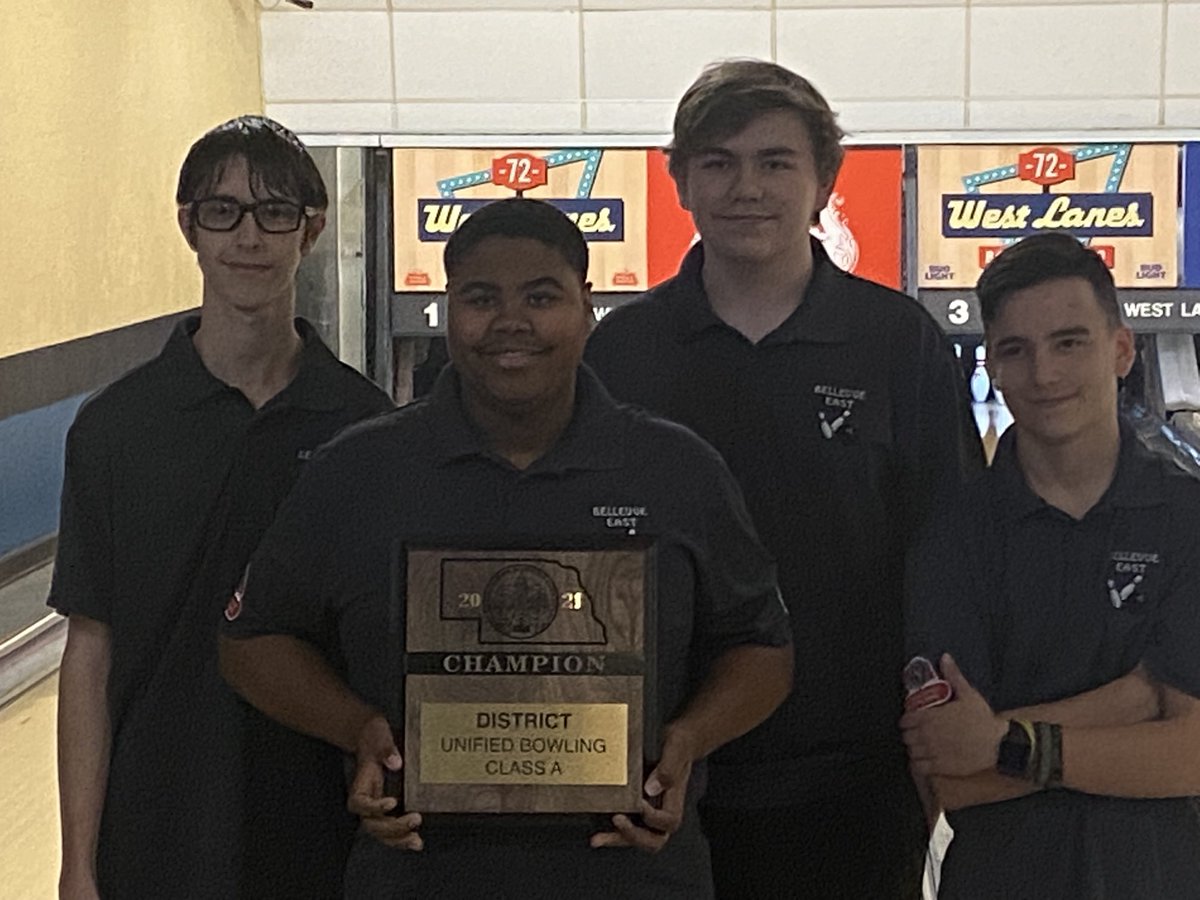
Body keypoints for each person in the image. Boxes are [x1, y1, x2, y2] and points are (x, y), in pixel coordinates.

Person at [218, 197, 794, 900]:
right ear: (448, 309)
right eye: (481, 298)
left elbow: (763, 648)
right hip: (418, 879)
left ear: (586, 307)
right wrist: (356, 728)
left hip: (635, 877)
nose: (511, 322)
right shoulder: (358, 471)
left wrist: (689, 738)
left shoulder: (678, 470)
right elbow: (252, 640)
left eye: (541, 297)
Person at [584, 59, 982, 898]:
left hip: (853, 776)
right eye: (719, 163)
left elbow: (949, 548)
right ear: (679, 181)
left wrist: (936, 726)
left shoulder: (895, 341)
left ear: (825, 182)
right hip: (656, 775)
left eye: (775, 162)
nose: (747, 188)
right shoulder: (622, 352)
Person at [50, 116, 393, 900]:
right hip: (154, 825)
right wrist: (77, 862)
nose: (248, 236)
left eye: (274, 212)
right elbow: (91, 650)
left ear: (311, 230)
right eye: (223, 211)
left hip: (319, 824)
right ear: (189, 228)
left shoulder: (363, 425)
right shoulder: (115, 429)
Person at [902, 232, 1200, 899]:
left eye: (1070, 343)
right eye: (1017, 350)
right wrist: (1138, 700)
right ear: (993, 367)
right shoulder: (951, 537)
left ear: (1122, 350)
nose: (1043, 374)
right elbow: (953, 776)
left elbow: (1191, 756)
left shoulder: (1189, 518)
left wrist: (1004, 742)